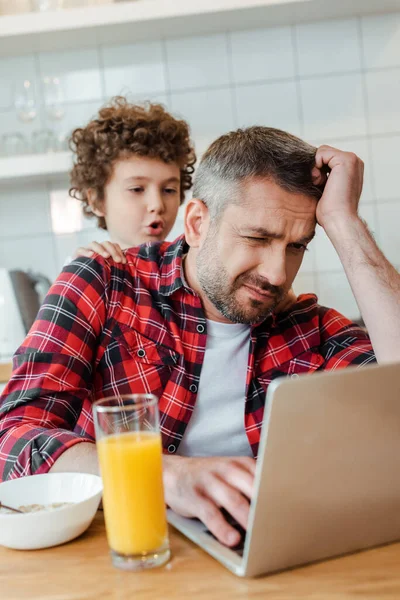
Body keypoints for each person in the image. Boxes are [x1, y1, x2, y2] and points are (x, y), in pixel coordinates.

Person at [1, 127, 399, 550]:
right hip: (128, 553)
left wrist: (345, 223)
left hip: (268, 553)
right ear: (196, 223)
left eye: (296, 246)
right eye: (258, 238)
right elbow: (13, 437)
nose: (277, 274)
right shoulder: (105, 282)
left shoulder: (307, 325)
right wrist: (164, 474)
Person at [68, 96, 196, 263]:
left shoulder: (188, 267)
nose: (157, 204)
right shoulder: (88, 271)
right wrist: (80, 272)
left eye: (169, 190)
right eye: (137, 189)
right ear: (97, 201)